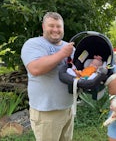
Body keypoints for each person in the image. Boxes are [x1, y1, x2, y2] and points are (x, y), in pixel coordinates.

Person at [21, 12, 75, 141]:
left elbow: (76, 71)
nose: (55, 30)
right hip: (46, 113)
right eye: (51, 26)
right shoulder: (33, 44)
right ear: (43, 27)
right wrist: (62, 54)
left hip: (67, 108)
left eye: (59, 26)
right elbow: (35, 68)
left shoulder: (69, 47)